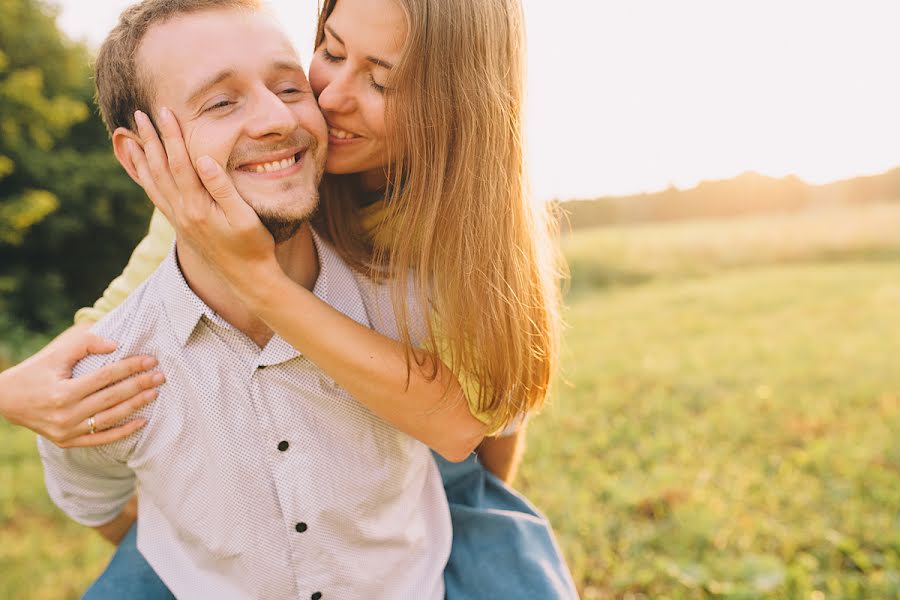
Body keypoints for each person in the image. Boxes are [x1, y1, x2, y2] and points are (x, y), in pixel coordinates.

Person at [7, 0, 577, 596]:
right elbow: (118, 320)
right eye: (330, 51)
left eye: (381, 81)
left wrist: (471, 511)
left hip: (433, 450)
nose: (326, 100)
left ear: (456, 109)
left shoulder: (461, 229)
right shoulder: (246, 173)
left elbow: (486, 414)